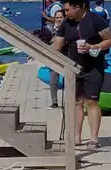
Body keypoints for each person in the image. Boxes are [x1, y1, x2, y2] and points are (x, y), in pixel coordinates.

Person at [53, 0, 111, 149]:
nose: (66, 13)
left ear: (79, 7)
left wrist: (94, 46)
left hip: (94, 67)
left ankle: (93, 139)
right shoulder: (66, 23)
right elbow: (57, 45)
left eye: (68, 10)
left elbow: (109, 39)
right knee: (77, 102)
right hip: (74, 68)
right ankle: (76, 137)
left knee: (91, 102)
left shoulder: (96, 20)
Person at [48, 10, 68, 108]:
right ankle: (54, 102)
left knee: (68, 80)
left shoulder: (68, 28)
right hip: (54, 56)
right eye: (57, 18)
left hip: (67, 56)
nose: (59, 19)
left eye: (61, 17)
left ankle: (69, 100)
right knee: (53, 80)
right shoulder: (50, 29)